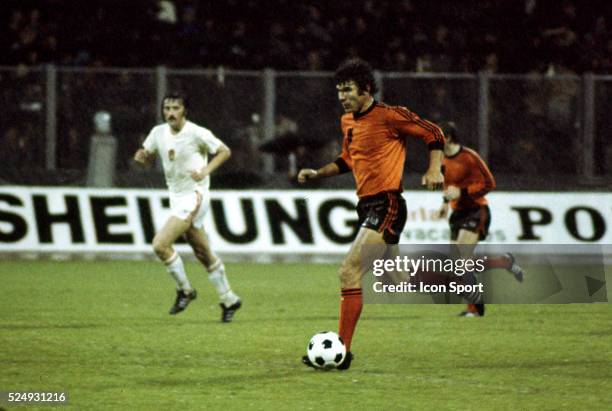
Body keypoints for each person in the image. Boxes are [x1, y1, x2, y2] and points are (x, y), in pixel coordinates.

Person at [297, 58, 445, 369]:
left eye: (347, 90)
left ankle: (342, 353)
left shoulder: (390, 115)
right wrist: (317, 173)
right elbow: (348, 159)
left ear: (365, 89)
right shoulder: (348, 121)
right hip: (367, 204)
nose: (342, 96)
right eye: (338, 91)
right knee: (397, 276)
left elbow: (433, 133)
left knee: (348, 270)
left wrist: (435, 170)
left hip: (387, 203)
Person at [133, 92, 242, 322]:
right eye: (167, 108)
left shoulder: (196, 133)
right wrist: (143, 157)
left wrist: (205, 171)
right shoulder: (158, 132)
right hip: (177, 196)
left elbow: (224, 151)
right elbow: (149, 156)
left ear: (185, 111)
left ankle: (185, 290)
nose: (170, 112)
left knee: (160, 245)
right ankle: (229, 298)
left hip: (195, 195)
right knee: (202, 251)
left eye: (175, 108)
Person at [436, 121, 524, 317]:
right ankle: (502, 262)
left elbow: (489, 183)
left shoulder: (469, 157)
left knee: (461, 261)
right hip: (457, 214)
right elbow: (449, 185)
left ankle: (475, 308)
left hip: (476, 211)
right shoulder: (441, 159)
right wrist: (444, 204)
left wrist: (463, 192)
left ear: (448, 138)